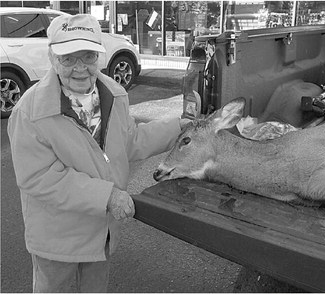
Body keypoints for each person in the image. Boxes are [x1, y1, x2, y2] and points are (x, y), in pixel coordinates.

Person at [7, 14, 189, 293]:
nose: (80, 68)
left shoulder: (114, 94)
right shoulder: (29, 112)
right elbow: (39, 177)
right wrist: (108, 196)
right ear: (52, 58)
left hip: (100, 234)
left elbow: (130, 140)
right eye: (69, 58)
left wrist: (179, 128)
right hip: (57, 240)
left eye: (89, 56)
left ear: (99, 57)